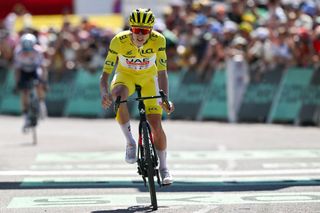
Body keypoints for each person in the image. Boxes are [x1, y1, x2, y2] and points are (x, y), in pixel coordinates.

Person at [100, 8, 175, 185]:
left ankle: (164, 168)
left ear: (150, 31)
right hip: (126, 77)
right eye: (136, 30)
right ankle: (130, 142)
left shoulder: (159, 40)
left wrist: (165, 98)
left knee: (156, 124)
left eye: (145, 31)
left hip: (149, 78)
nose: (140, 35)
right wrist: (104, 93)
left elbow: (163, 72)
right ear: (131, 28)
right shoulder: (119, 41)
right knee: (118, 96)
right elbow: (105, 75)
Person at [14, 33, 48, 131]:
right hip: (24, 71)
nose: (27, 53)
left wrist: (44, 81)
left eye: (29, 50)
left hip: (35, 69)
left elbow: (43, 67)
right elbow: (17, 70)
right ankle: (25, 118)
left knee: (39, 83)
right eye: (25, 50)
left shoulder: (38, 51)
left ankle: (41, 103)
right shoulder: (18, 52)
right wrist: (17, 83)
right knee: (24, 92)